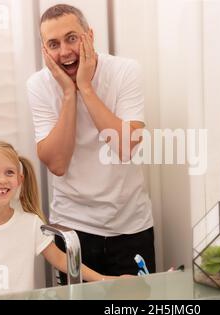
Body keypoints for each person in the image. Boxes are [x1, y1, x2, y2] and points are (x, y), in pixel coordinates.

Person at [26, 4, 155, 281]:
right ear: (44, 50)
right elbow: (57, 164)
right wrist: (69, 95)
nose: (64, 51)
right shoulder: (38, 85)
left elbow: (124, 147)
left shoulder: (124, 71)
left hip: (130, 226)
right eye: (53, 44)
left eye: (71, 38)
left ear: (90, 35)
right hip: (73, 229)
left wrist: (85, 87)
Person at [0, 141, 127, 299]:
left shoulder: (31, 224)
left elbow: (61, 260)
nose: (2, 179)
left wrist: (102, 279)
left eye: (9, 172)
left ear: (19, 179)